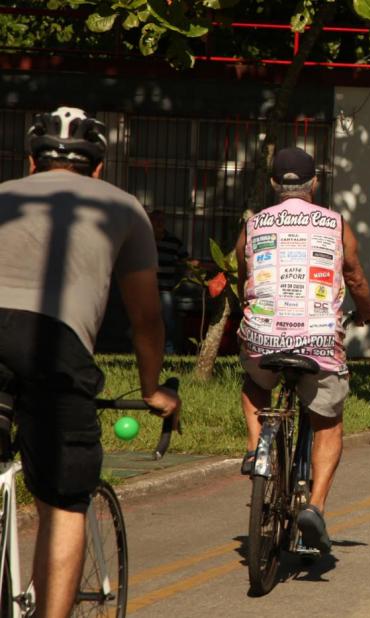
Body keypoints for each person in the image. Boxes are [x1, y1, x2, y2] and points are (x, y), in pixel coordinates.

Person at [0, 107, 180, 618]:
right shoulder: (122, 208)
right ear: (98, 168)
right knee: (63, 497)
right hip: (54, 345)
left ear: (29, 161)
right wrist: (152, 390)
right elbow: (146, 317)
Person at [236, 147, 370, 554]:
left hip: (262, 336)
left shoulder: (254, 225)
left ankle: (256, 450)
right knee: (328, 421)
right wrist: (368, 310)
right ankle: (315, 507)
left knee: (254, 382)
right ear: (314, 183)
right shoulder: (335, 225)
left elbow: (246, 273)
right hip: (317, 342)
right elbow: (354, 276)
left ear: (273, 185)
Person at [148, 209, 190, 354]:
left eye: (161, 221)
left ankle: (168, 350)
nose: (159, 224)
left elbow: (187, 261)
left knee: (168, 323)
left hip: (166, 289)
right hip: (146, 289)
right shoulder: (143, 239)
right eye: (155, 220)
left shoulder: (174, 242)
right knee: (143, 320)